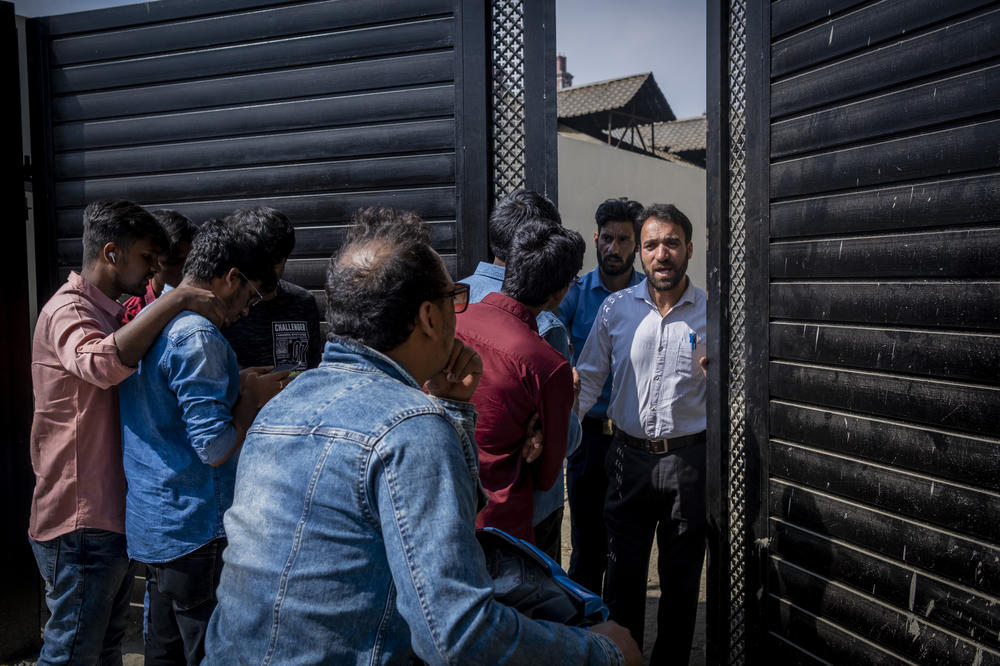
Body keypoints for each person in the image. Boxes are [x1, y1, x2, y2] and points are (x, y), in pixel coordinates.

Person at [204, 207, 640, 666]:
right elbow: (456, 633)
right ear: (430, 317)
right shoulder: (410, 428)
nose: (461, 313)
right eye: (456, 297)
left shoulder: (278, 409)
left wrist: (453, 408)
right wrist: (602, 652)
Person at [28, 199, 224, 665]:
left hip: (112, 519)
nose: (155, 269)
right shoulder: (67, 311)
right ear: (111, 253)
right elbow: (99, 363)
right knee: (72, 653)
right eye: (146, 258)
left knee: (104, 648)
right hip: (80, 520)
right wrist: (174, 299)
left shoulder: (114, 315)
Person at [119, 218, 288, 665]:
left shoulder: (155, 323)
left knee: (163, 650)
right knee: (208, 653)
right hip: (197, 528)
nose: (248, 310)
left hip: (157, 525)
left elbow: (172, 412)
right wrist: (249, 400)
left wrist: (237, 385)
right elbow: (212, 448)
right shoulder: (199, 336)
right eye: (250, 295)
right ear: (230, 278)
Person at [575, 204, 707, 664]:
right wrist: (555, 437)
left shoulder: (711, 314)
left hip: (687, 464)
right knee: (622, 575)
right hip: (625, 460)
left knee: (681, 578)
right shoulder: (616, 309)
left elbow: (733, 391)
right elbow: (588, 379)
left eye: (671, 242)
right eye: (651, 244)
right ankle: (620, 657)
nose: (661, 253)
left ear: (690, 248)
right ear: (642, 254)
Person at [459, 189, 580, 559]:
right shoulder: (544, 332)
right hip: (519, 514)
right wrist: (566, 408)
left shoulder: (452, 301)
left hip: (446, 498)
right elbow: (556, 457)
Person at [557, 196, 645, 593]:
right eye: (607, 238)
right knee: (587, 545)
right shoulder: (575, 294)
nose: (614, 248)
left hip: (634, 439)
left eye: (624, 240)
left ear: (638, 243)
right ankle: (585, 640)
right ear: (595, 239)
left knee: (627, 543)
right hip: (588, 438)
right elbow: (550, 345)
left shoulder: (651, 295)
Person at [222, 206, 322, 370]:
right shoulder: (227, 309)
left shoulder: (303, 302)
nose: (267, 274)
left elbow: (313, 368)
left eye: (275, 264)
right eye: (261, 265)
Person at [122, 209, 199, 322]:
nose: (187, 269)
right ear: (152, 262)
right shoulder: (132, 316)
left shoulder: (209, 301)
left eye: (193, 260)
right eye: (173, 262)